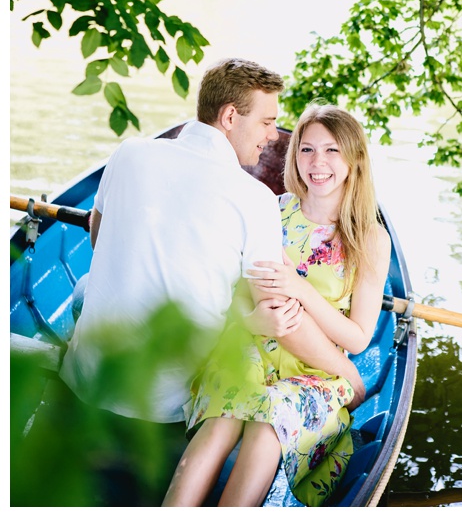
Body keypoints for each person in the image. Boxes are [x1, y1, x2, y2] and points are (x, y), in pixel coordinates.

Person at [163, 104, 391, 507]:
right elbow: (229, 295)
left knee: (271, 422)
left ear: (354, 159)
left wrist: (300, 290)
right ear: (294, 156)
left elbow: (357, 340)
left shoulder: (369, 237)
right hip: (254, 342)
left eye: (332, 150)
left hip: (317, 365)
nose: (317, 163)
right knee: (222, 417)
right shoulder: (271, 209)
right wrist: (251, 320)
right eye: (306, 150)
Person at [60, 57, 290, 423]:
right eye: (267, 122)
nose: (274, 135)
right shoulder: (257, 198)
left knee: (86, 287)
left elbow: (98, 240)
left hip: (81, 381)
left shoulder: (129, 152)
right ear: (230, 117)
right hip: (161, 409)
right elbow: (270, 305)